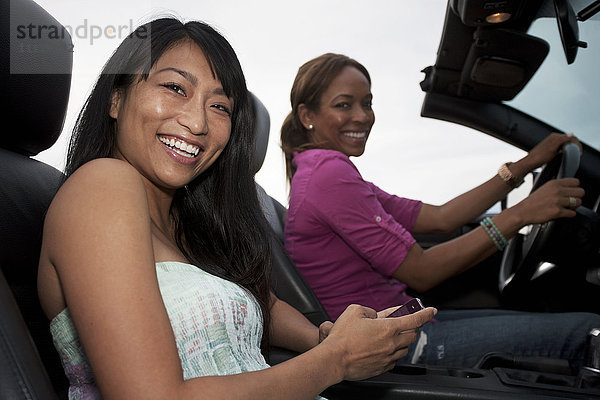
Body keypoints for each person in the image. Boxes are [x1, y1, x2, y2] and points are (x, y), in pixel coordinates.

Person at [37, 21, 436, 399]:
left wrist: (326, 337)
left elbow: (257, 302)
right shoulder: (102, 185)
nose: (197, 122)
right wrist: (336, 359)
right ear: (116, 98)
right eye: (176, 87)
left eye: (221, 107)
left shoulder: (187, 221)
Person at [280, 52, 600, 369]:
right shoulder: (328, 175)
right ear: (308, 115)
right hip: (395, 347)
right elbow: (422, 271)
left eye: (367, 103)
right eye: (344, 105)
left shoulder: (322, 171)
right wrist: (522, 214)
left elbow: (441, 218)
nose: (363, 116)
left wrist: (525, 165)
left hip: (405, 326)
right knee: (589, 332)